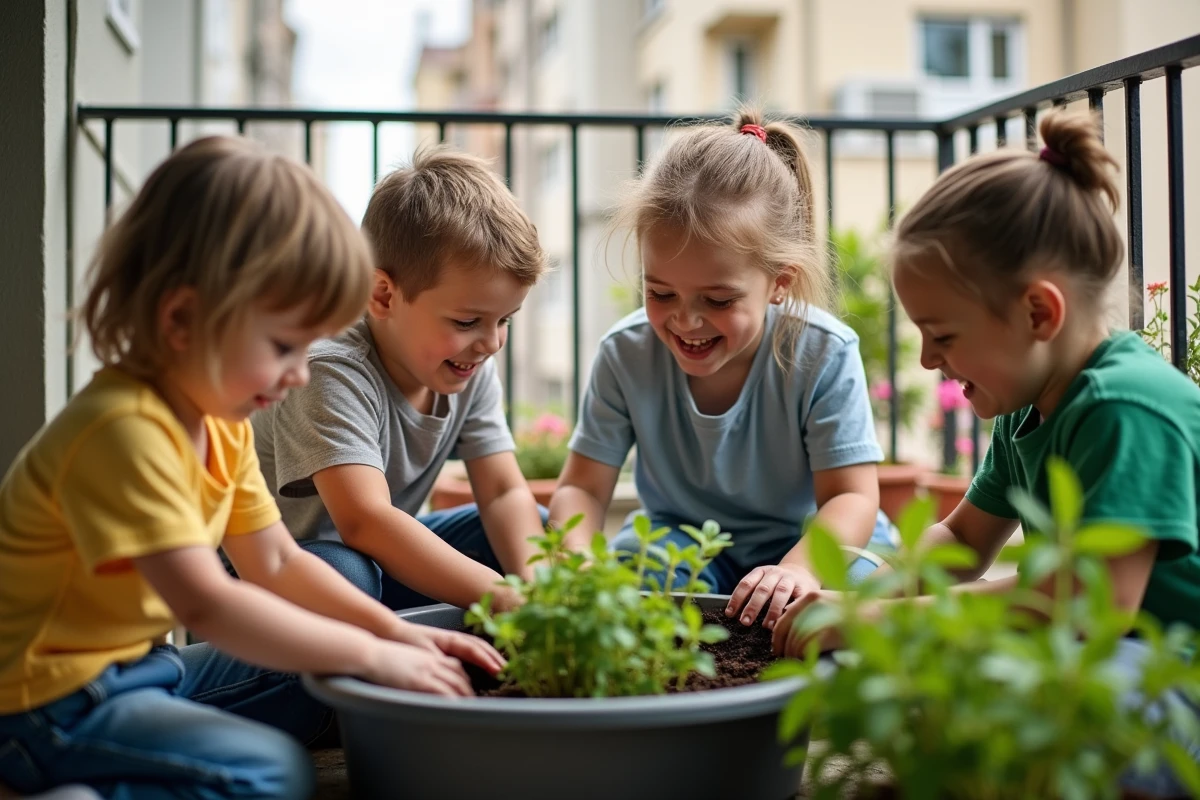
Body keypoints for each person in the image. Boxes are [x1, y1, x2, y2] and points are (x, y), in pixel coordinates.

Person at [0, 137, 504, 799]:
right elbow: (205, 601)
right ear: (183, 318)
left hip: (146, 669)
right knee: (270, 771)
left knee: (319, 663)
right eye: (283, 345)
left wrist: (397, 636)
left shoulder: (221, 422)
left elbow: (277, 564)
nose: (300, 373)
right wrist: (373, 652)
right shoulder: (124, 430)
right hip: (48, 704)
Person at [774, 111, 1200, 798]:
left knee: (1043, 716)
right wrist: (854, 599)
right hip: (1102, 658)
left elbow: (1089, 605)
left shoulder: (1127, 408)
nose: (925, 358)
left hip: (1170, 673)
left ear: (1038, 313)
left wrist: (883, 622)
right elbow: (962, 540)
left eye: (941, 334)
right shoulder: (1029, 403)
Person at [549, 109, 894, 632]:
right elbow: (582, 489)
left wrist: (797, 571)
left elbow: (851, 496)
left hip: (814, 540)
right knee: (637, 584)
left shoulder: (823, 351)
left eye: (717, 298)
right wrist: (578, 561)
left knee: (868, 597)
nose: (686, 319)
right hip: (686, 539)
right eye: (660, 292)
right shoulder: (625, 353)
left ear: (779, 282)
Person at [253, 146, 548, 612]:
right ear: (383, 295)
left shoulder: (469, 363)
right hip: (278, 575)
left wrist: (542, 589)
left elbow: (502, 491)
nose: (491, 343)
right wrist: (504, 598)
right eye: (467, 322)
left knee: (538, 532)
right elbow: (365, 521)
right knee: (348, 575)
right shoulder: (328, 368)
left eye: (505, 320)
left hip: (375, 564)